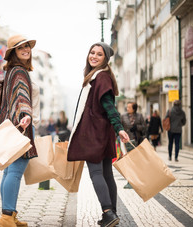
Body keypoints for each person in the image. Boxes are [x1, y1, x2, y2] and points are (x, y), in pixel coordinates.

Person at [67, 42, 130, 227]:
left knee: (96, 172)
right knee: (106, 174)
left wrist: (119, 127)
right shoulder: (97, 76)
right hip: (101, 132)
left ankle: (108, 212)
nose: (93, 56)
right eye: (92, 53)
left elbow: (109, 105)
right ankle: (112, 214)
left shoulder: (101, 77)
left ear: (105, 59)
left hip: (94, 133)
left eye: (99, 54)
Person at [0, 34, 38, 227]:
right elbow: (21, 96)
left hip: (11, 125)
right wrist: (26, 115)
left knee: (9, 172)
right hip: (21, 126)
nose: (26, 49)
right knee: (15, 172)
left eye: (28, 47)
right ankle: (6, 217)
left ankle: (9, 215)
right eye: (21, 48)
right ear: (13, 53)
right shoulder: (19, 71)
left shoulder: (11, 71)